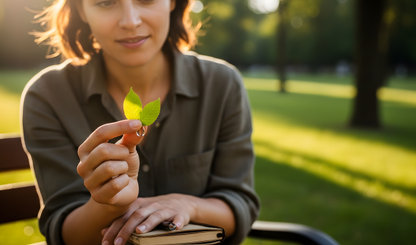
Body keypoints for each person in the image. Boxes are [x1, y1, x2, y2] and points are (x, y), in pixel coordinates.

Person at [20, 0, 259, 244]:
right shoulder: (48, 96)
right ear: (81, 10)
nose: (130, 21)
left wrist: (189, 205)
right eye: (105, 3)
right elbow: (64, 232)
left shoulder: (222, 84)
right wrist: (108, 204)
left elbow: (240, 204)